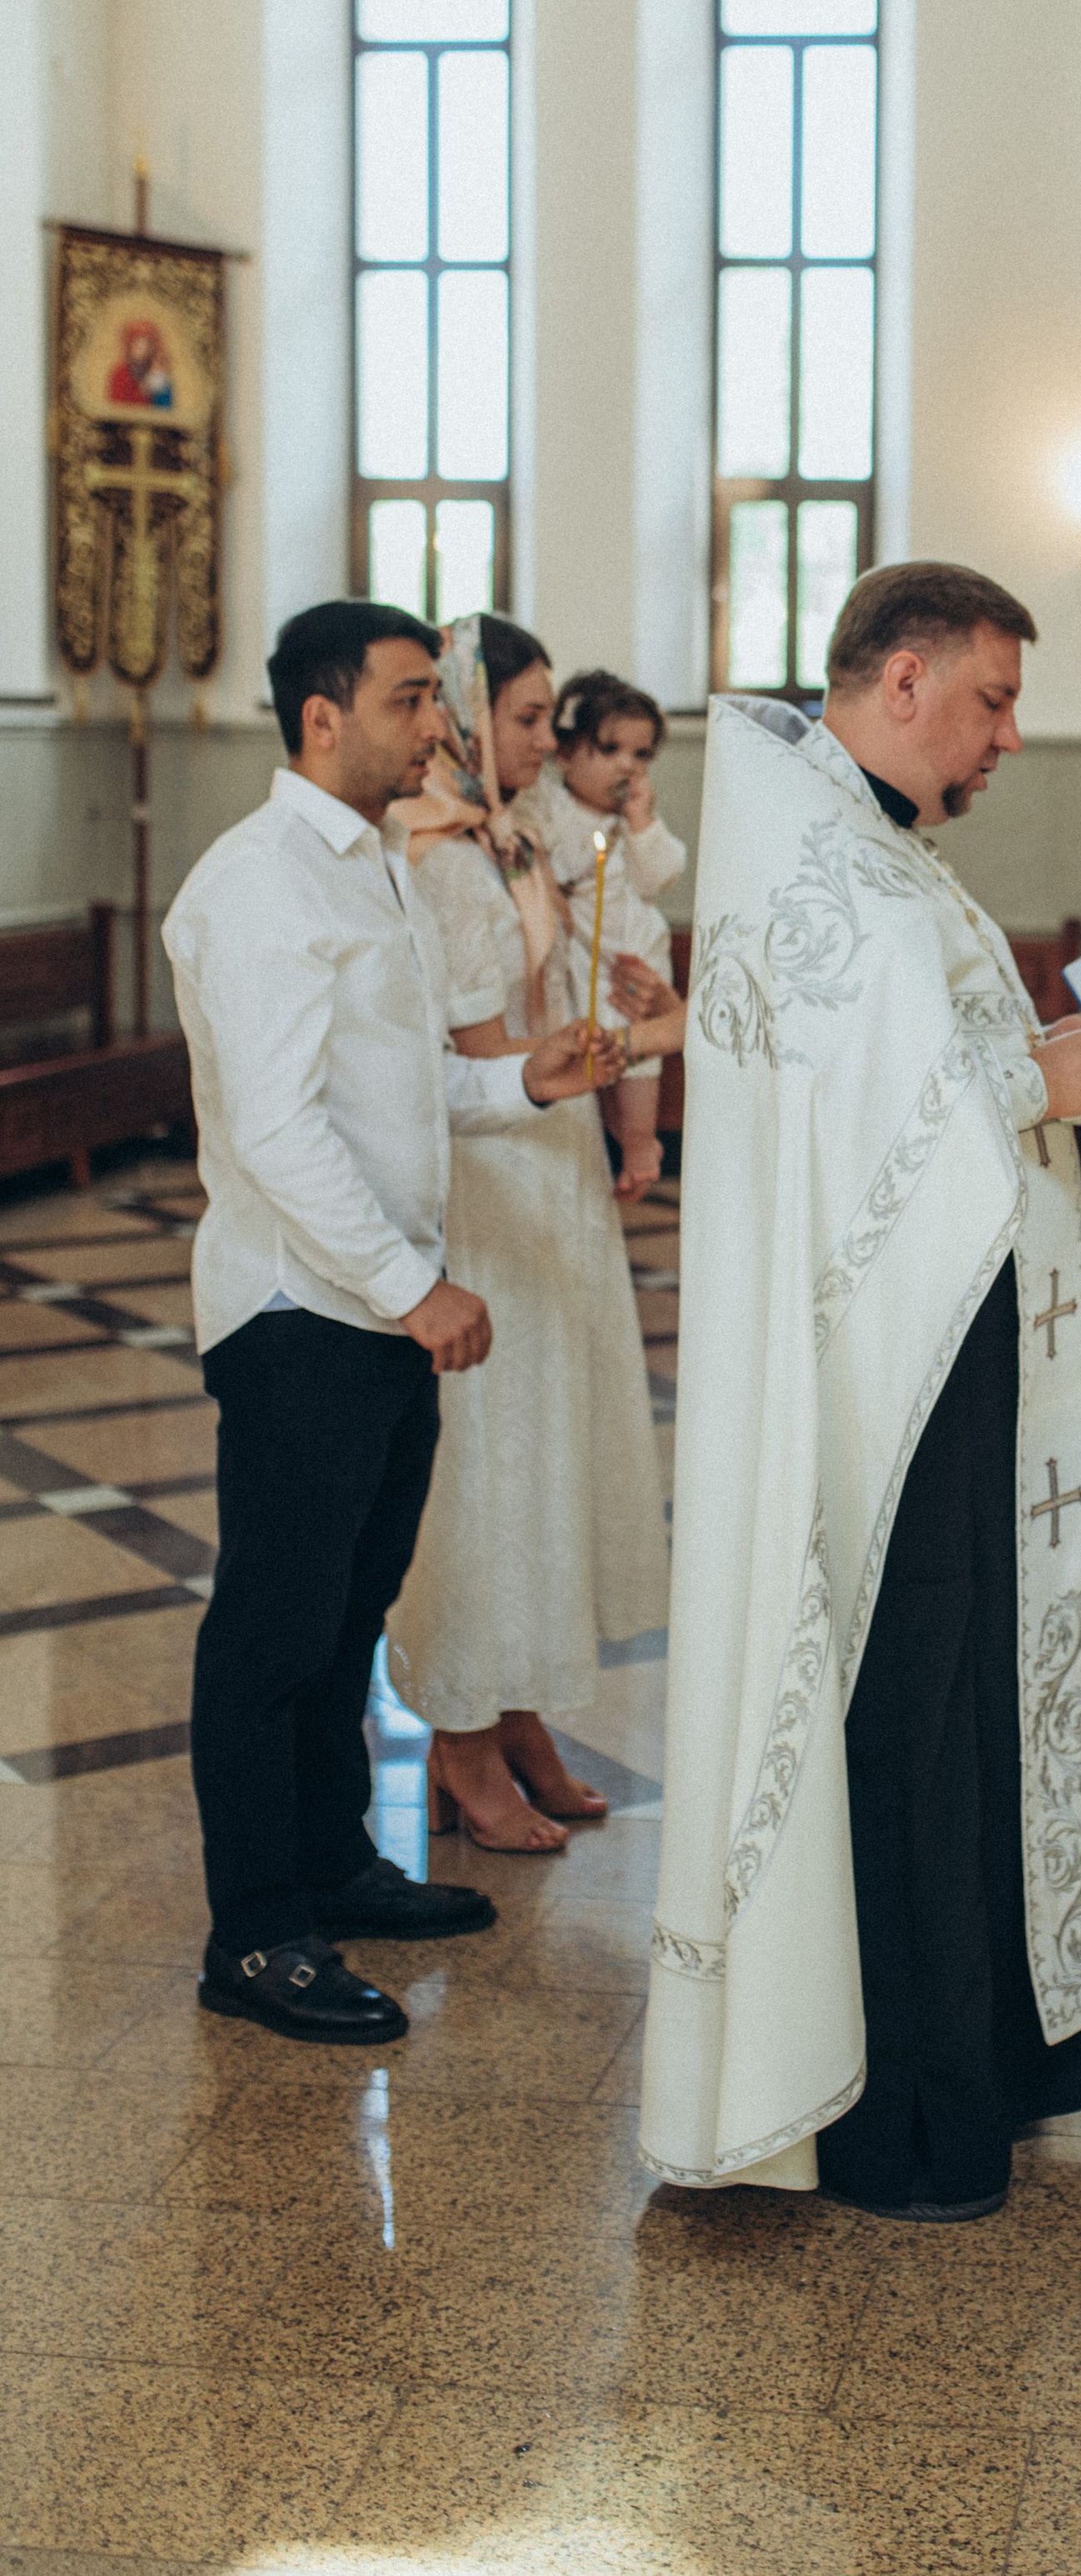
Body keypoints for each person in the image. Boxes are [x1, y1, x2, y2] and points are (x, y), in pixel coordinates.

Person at [618, 562, 1081, 2219]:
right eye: (992, 700)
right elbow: (871, 1130)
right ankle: (897, 2111)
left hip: (950, 1343)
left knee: (965, 1692)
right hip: (879, 1373)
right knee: (905, 1706)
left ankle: (984, 2052)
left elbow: (895, 1085)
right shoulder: (826, 865)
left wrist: (1025, 1073)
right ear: (903, 679)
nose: (1007, 738)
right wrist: (1037, 1080)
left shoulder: (880, 850)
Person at [162, 599, 623, 2045]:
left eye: (435, 696)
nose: (437, 723)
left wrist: (527, 1080)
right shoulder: (259, 884)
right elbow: (278, 1130)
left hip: (367, 1307)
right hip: (300, 1309)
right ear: (323, 715)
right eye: (412, 697)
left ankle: (334, 1863)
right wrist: (413, 1288)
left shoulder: (374, 868)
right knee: (273, 1630)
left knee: (348, 1612)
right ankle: (256, 1933)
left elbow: (408, 1091)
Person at [385, 615, 670, 1853]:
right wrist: (598, 1048)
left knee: (554, 1444)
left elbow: (574, 966)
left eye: (552, 716)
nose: (548, 739)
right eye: (526, 716)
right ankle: (459, 1730)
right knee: (490, 1457)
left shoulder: (517, 839)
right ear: (461, 714)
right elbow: (467, 1045)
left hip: (554, 1155)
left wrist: (625, 1009)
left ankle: (516, 1711)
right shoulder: (439, 856)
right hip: (488, 1168)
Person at [519, 668, 685, 1207]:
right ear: (565, 753)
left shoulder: (636, 826)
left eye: (642, 755)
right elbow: (530, 840)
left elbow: (659, 877)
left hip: (636, 957)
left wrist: (642, 822)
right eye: (610, 749)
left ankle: (641, 1143)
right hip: (586, 956)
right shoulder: (552, 808)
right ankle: (619, 1136)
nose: (628, 766)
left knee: (641, 1056)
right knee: (597, 1056)